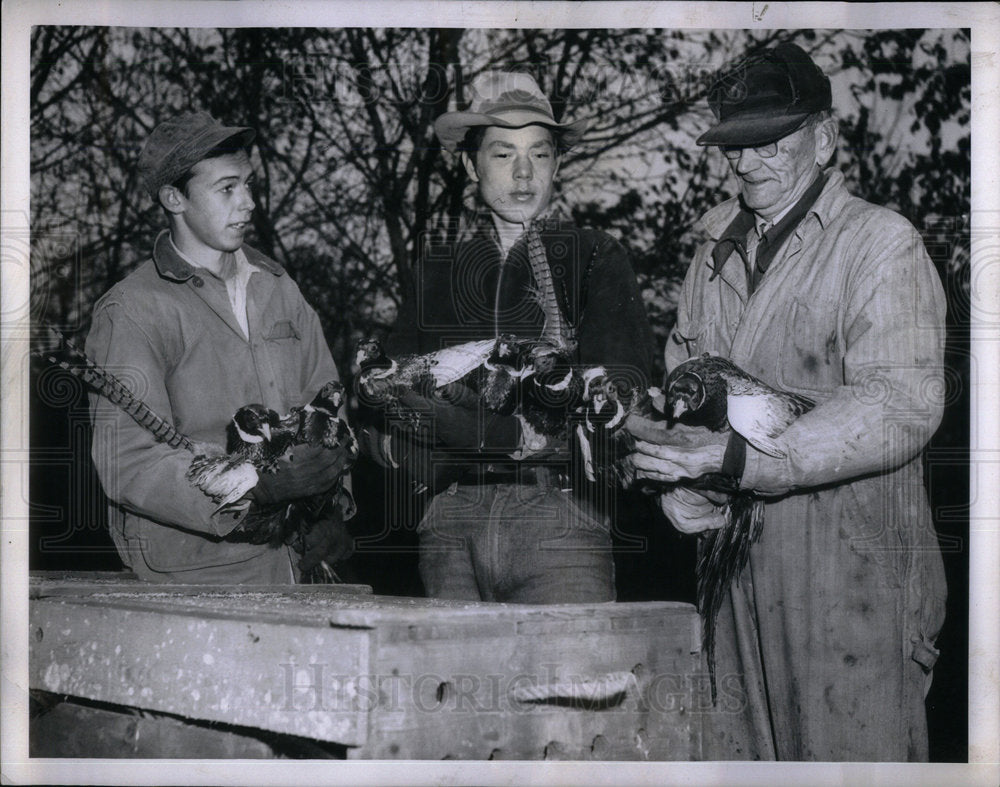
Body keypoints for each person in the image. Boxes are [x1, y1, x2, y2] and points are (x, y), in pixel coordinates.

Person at [629, 43, 948, 761]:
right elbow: (685, 388)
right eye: (735, 145)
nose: (747, 164)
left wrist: (747, 458)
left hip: (852, 576)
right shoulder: (713, 249)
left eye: (771, 141)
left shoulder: (879, 244)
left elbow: (902, 401)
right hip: (733, 572)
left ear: (824, 139)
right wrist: (682, 481)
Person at [362, 71, 655, 603]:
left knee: (567, 683)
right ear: (470, 164)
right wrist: (409, 452)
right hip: (451, 519)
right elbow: (387, 399)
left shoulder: (593, 256)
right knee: (460, 682)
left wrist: (524, 432)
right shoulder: (440, 268)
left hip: (560, 516)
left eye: (539, 154)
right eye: (501, 154)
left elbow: (624, 397)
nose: (523, 174)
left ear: (558, 163)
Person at [86, 111, 351, 584]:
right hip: (198, 573)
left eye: (249, 185)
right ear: (174, 198)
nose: (248, 202)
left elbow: (326, 400)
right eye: (227, 189)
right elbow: (128, 460)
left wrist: (330, 501)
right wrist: (253, 486)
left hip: (296, 563)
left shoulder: (276, 287)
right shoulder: (133, 310)